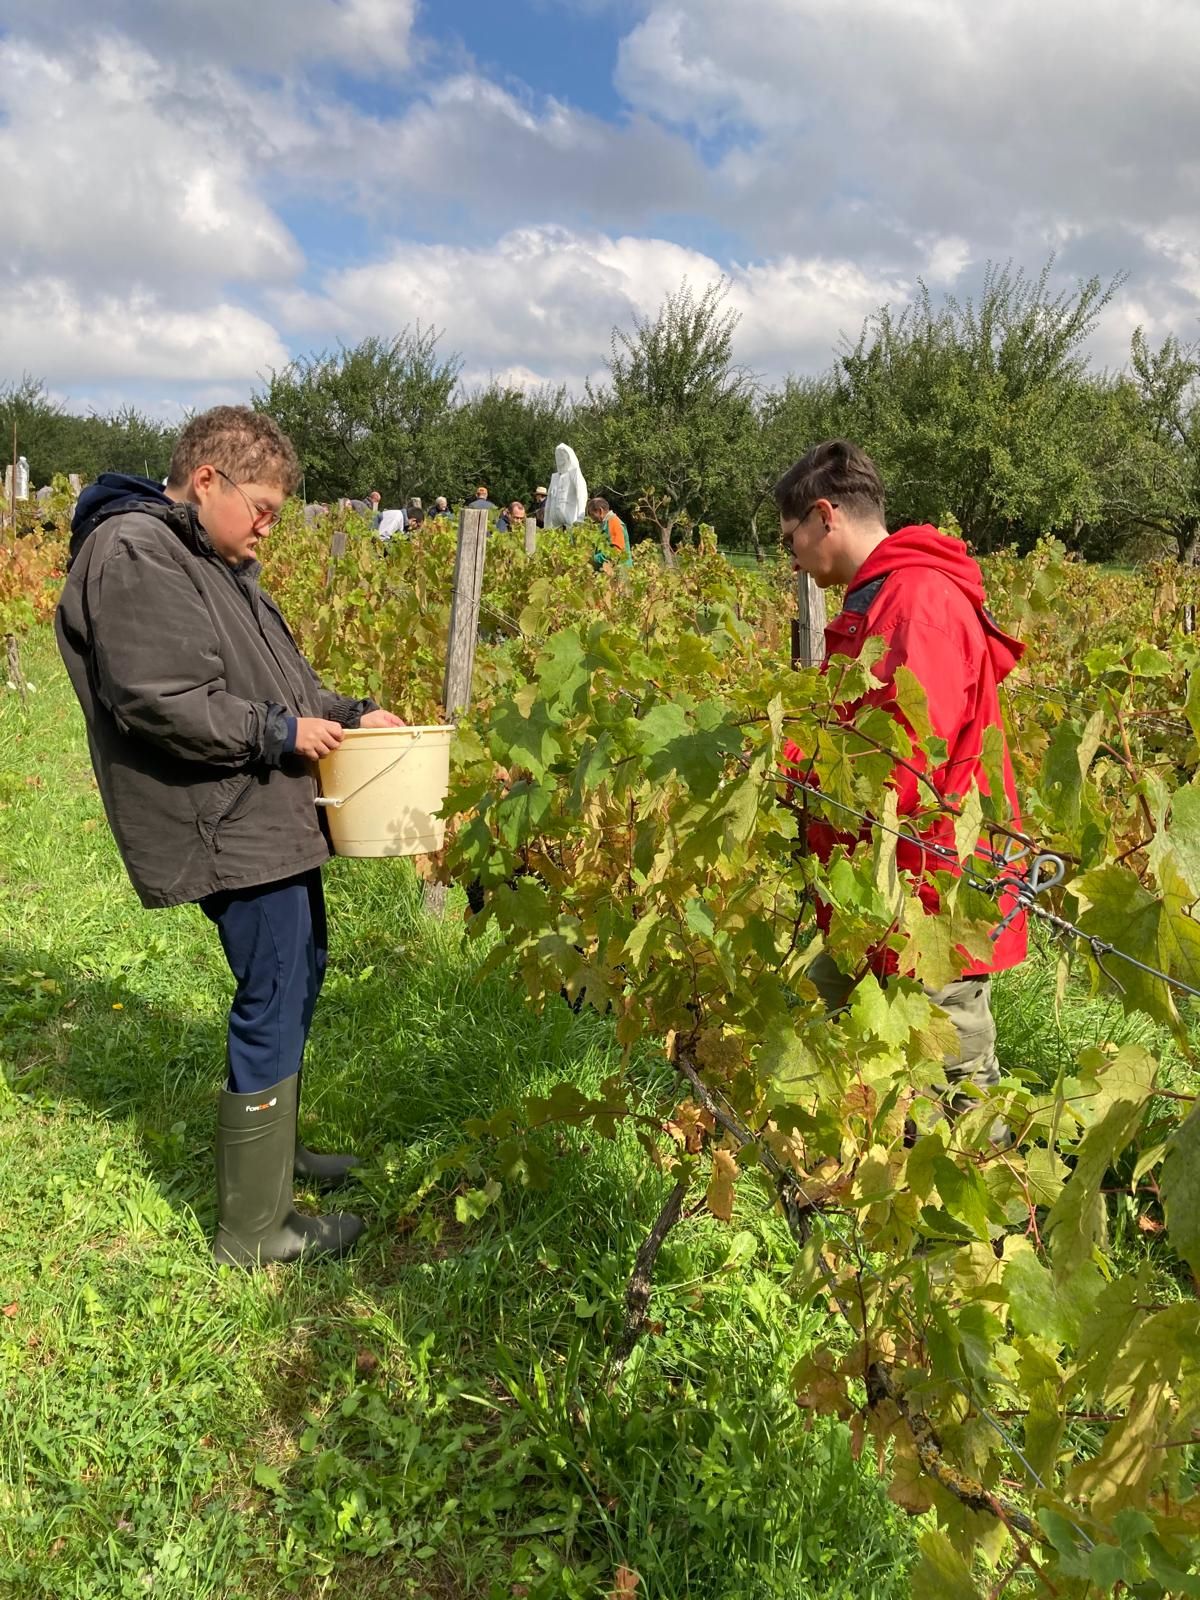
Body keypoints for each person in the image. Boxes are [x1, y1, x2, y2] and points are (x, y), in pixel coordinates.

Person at [55, 406, 406, 1270]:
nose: (266, 529)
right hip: (224, 815)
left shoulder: (210, 558)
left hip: (262, 813)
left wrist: (351, 715)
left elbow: (284, 685)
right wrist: (279, 736)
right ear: (207, 480)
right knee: (272, 989)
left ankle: (278, 1162)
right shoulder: (136, 552)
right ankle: (255, 1230)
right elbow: (158, 699)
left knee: (300, 970)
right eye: (263, 508)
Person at [777, 439, 1026, 1136]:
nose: (788, 551)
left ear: (825, 517)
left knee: (955, 1093)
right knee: (838, 1042)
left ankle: (996, 1229)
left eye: (790, 534)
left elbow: (911, 763)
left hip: (930, 893)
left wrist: (797, 774)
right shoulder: (881, 597)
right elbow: (858, 726)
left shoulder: (918, 602)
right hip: (878, 887)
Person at [587, 496, 632, 567]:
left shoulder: (614, 523)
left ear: (600, 511)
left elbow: (616, 551)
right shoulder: (607, 523)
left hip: (621, 571)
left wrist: (593, 559)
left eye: (592, 515)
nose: (592, 518)